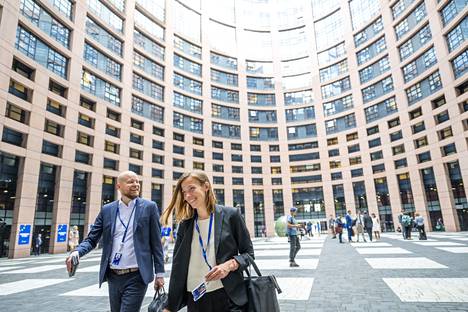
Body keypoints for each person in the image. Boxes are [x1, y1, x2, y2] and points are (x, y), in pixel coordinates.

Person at [66, 171, 165, 312]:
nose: (136, 185)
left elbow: (156, 243)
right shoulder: (107, 210)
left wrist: (160, 274)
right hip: (113, 275)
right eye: (131, 182)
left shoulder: (149, 207)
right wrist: (77, 252)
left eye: (137, 182)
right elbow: (92, 239)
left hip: (137, 276)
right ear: (119, 186)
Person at [161, 171, 254, 312]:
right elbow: (178, 267)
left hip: (228, 295)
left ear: (206, 186)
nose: (187, 196)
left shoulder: (231, 215)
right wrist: (170, 306)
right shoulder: (185, 225)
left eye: (191, 188)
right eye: (184, 192)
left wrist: (229, 265)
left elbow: (248, 254)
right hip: (196, 297)